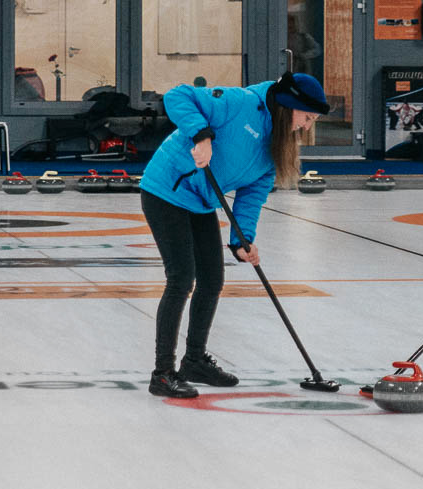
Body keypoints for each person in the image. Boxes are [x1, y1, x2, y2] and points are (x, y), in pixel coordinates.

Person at [138, 71, 330, 398]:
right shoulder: (240, 104)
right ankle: (163, 373)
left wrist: (243, 240)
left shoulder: (275, 145)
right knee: (182, 278)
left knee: (212, 280)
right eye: (307, 117)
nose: (307, 126)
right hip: (166, 190)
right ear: (288, 105)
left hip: (200, 202)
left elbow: (252, 195)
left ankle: (194, 361)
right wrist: (201, 136)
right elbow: (177, 96)